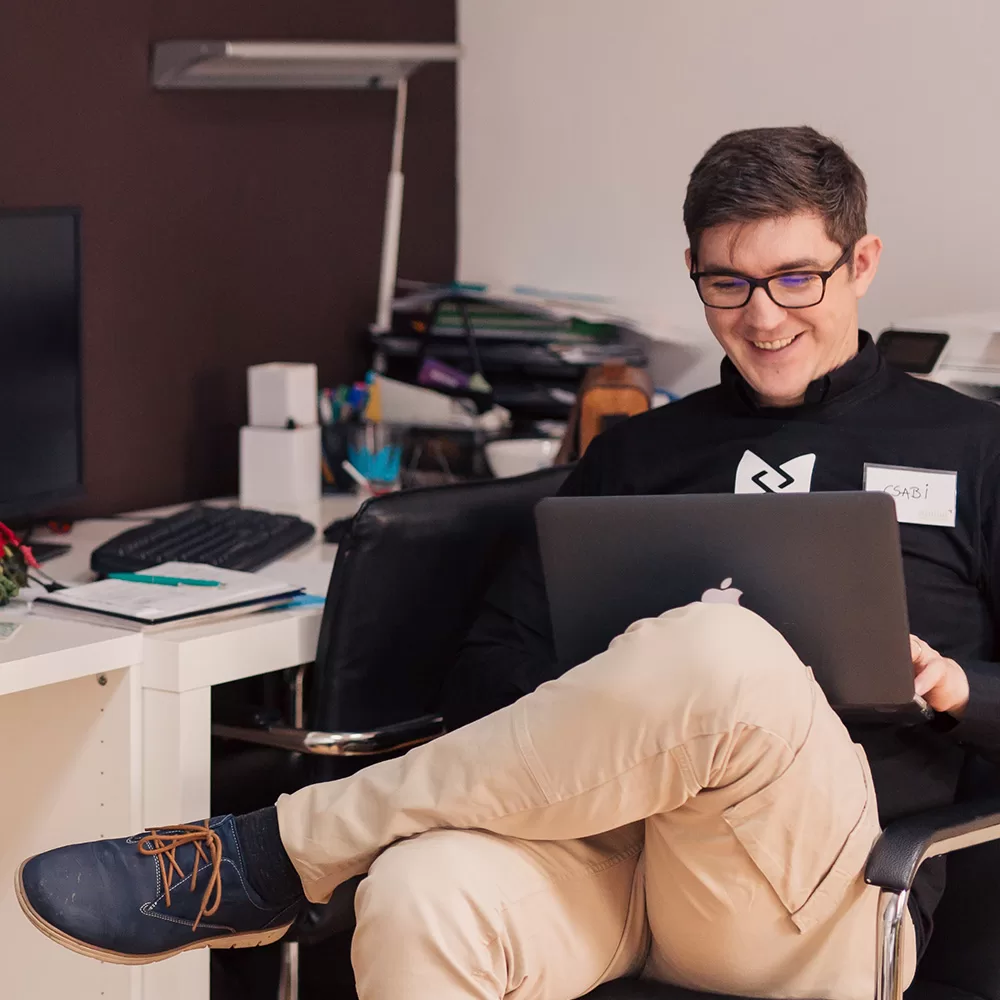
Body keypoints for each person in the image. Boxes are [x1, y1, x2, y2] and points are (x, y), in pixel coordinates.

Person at [16, 126, 1000, 1000]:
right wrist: (619, 689)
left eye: (797, 278)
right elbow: (488, 669)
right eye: (726, 284)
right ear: (693, 274)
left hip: (819, 889)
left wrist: (959, 688)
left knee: (724, 650)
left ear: (861, 262)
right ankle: (301, 855)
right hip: (610, 859)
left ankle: (279, 850)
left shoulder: (973, 445)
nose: (763, 317)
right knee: (418, 892)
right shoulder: (640, 449)